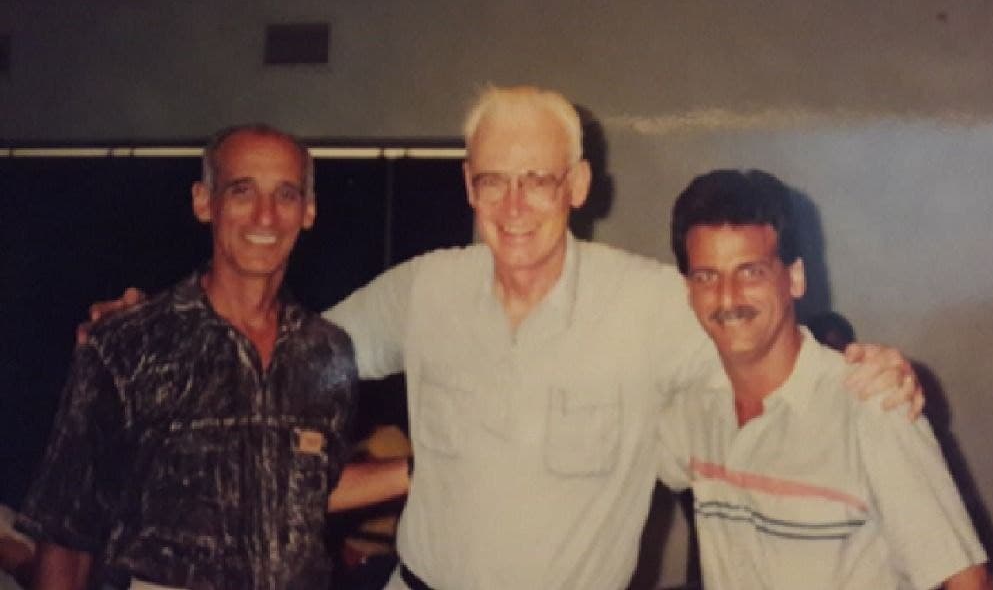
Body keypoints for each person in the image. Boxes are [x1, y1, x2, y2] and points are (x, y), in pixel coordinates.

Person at [82, 86, 922, 590]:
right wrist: (164, 323)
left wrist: (862, 364)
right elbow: (281, 349)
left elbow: (758, 338)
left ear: (579, 185)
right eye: (493, 180)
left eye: (539, 180)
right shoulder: (426, 288)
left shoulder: (650, 301)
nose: (514, 205)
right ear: (467, 185)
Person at [19, 125, 408, 590]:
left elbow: (311, 486)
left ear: (308, 211)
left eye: (285, 195)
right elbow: (66, 531)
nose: (265, 216)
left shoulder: (326, 351)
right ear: (204, 202)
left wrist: (430, 467)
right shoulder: (126, 345)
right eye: (242, 192)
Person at [660, 169, 993, 589]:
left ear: (794, 277)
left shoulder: (871, 403)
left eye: (751, 272)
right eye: (707, 276)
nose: (728, 298)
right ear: (687, 289)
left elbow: (968, 582)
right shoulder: (690, 409)